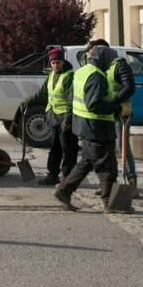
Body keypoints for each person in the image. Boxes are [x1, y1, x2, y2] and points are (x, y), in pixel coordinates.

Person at [54, 44, 121, 212]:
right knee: (107, 166)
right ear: (103, 59)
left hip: (84, 126)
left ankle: (64, 191)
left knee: (86, 162)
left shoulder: (82, 72)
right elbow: (94, 105)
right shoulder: (97, 77)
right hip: (97, 127)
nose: (111, 64)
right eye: (110, 60)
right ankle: (110, 203)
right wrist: (116, 108)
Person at [87, 39, 138, 197]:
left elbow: (129, 87)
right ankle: (110, 184)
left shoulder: (120, 64)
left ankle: (132, 184)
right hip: (107, 114)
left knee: (122, 147)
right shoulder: (103, 67)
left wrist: (115, 101)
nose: (92, 57)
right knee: (109, 151)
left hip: (121, 113)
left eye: (93, 53)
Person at [34, 48, 77, 186]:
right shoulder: (52, 75)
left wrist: (68, 119)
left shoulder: (69, 76)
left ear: (63, 61)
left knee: (68, 149)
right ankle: (52, 175)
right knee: (55, 147)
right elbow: (42, 93)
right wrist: (27, 102)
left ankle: (68, 177)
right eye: (53, 63)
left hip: (65, 118)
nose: (56, 65)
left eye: (58, 62)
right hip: (54, 117)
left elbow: (72, 99)